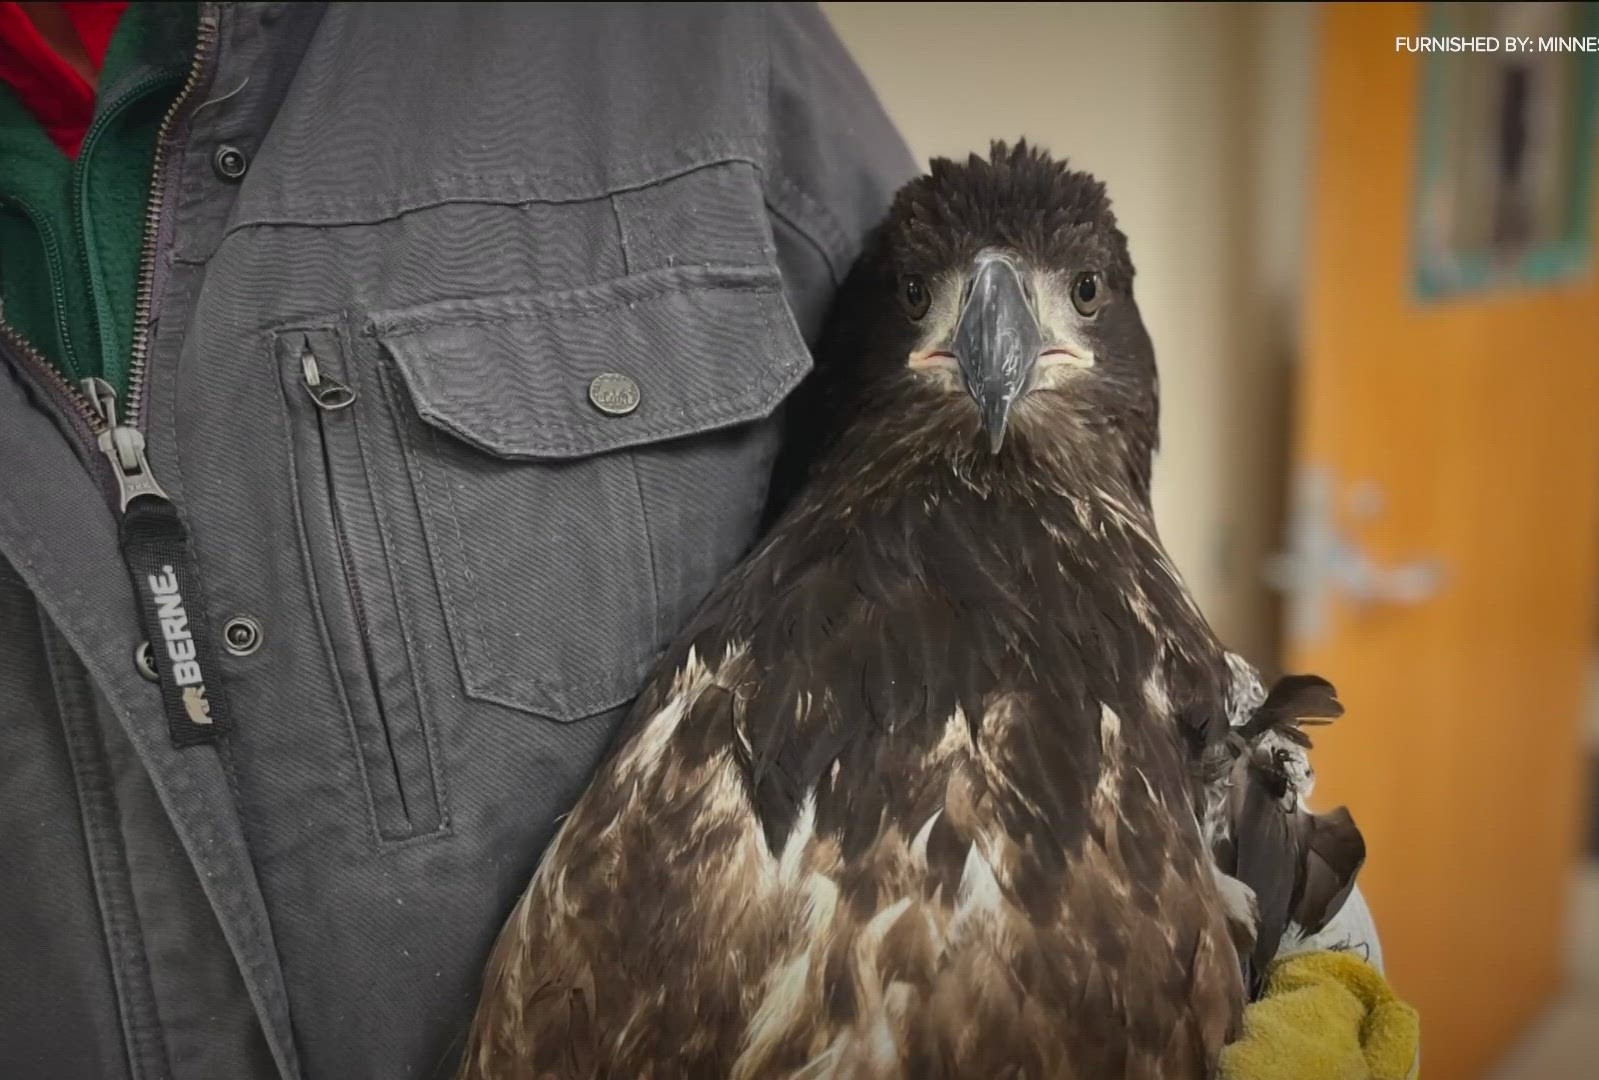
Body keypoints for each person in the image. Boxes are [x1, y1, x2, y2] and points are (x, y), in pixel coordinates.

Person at [0, 5, 1408, 1078]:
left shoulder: (691, 45)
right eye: (943, 296)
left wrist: (1308, 927)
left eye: (1074, 296)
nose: (993, 331)